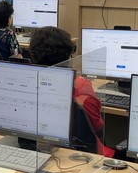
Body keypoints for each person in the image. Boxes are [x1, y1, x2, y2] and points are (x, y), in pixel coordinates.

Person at [28, 27, 114, 157]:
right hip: (81, 155)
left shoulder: (28, 87)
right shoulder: (82, 89)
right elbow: (97, 127)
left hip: (41, 149)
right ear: (69, 59)